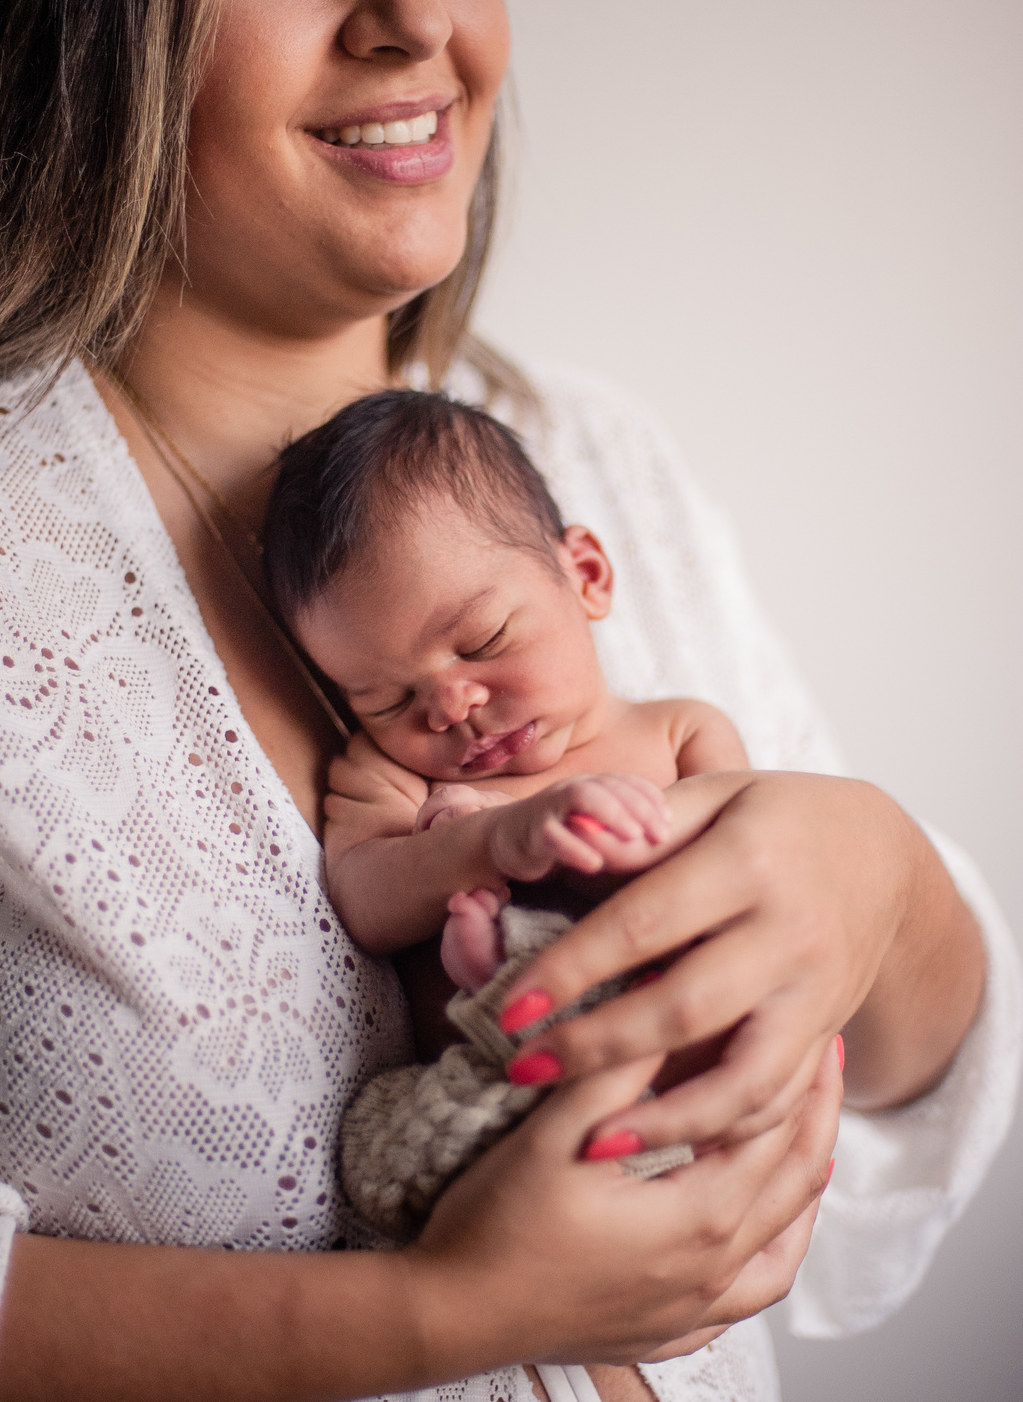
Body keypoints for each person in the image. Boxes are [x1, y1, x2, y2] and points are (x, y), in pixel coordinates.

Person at [0, 0, 1019, 1402]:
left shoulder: (592, 463)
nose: (420, 21)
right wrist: (443, 1308)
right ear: (67, 9)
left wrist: (875, 878)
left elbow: (904, 1073)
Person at [262, 386, 751, 997]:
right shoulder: (391, 775)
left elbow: (749, 853)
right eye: (386, 700)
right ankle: (501, 966)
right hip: (503, 1067)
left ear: (588, 578)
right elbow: (364, 901)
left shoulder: (683, 732)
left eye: (484, 641)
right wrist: (491, 842)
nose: (450, 708)